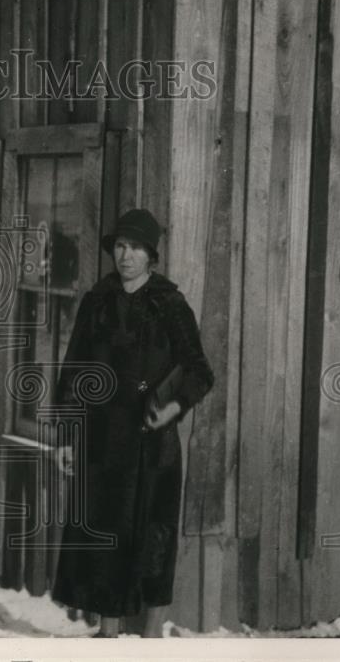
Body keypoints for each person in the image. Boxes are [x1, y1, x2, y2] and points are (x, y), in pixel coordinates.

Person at [50, 208, 214, 638]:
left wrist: (173, 407)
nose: (126, 255)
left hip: (152, 444)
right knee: (104, 534)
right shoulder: (97, 302)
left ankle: (150, 638)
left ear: (151, 256)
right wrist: (67, 438)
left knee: (152, 539)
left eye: (136, 248)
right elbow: (73, 372)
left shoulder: (171, 305)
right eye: (120, 246)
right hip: (101, 441)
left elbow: (199, 370)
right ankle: (108, 635)